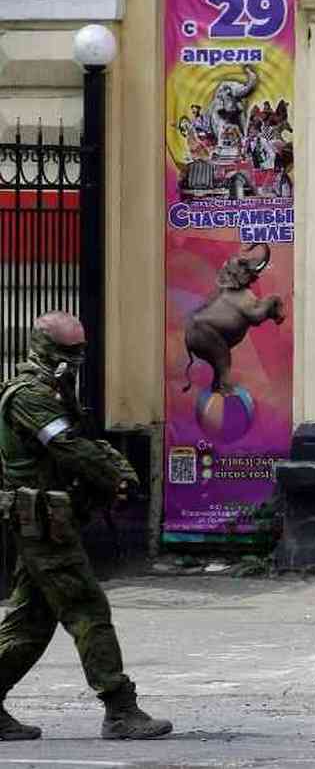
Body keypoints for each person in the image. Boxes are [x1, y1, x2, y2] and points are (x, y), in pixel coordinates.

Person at [0, 313, 173, 740]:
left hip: (52, 520)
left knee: (30, 621)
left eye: (80, 351)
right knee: (87, 610)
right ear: (42, 347)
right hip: (42, 523)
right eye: (67, 352)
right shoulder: (28, 397)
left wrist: (114, 467)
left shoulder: (56, 393)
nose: (75, 360)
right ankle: (119, 709)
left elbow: (85, 442)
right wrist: (114, 475)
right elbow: (68, 447)